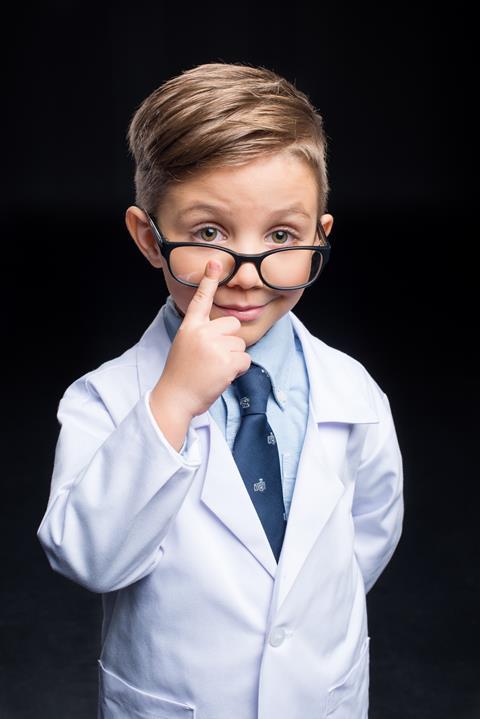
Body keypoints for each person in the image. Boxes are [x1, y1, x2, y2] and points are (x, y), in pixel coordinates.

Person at [37, 62, 404, 719]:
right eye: (208, 233)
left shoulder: (353, 392)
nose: (244, 274)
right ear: (149, 238)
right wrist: (172, 402)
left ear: (321, 236)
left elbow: (366, 539)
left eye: (282, 236)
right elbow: (89, 557)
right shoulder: (107, 398)